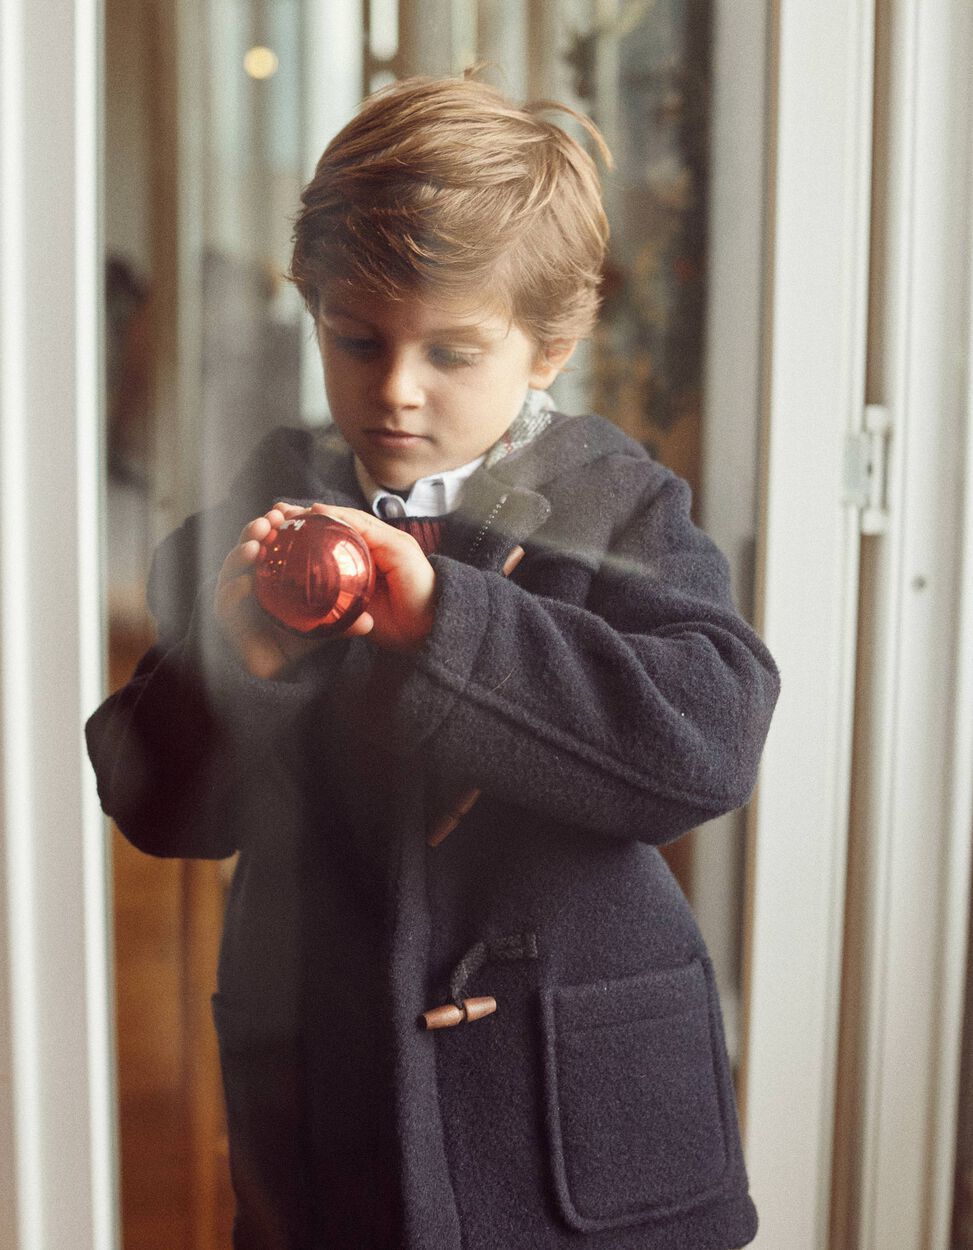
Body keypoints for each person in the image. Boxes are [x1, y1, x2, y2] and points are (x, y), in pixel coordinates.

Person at [86, 73, 779, 1250]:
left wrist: (445, 623)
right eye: (357, 339)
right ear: (313, 311)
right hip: (331, 1109)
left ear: (548, 346)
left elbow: (711, 735)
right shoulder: (255, 510)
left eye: (451, 351)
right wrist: (237, 654)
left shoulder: (618, 503)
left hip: (570, 1122)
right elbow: (156, 800)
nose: (395, 389)